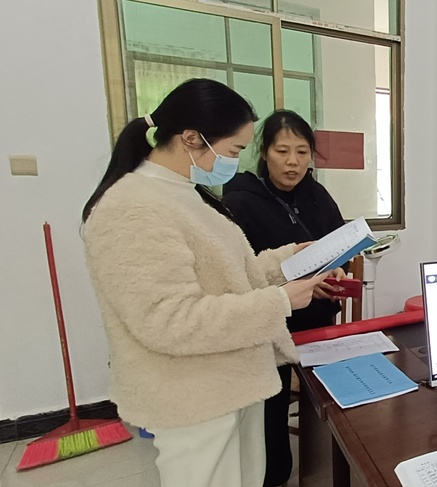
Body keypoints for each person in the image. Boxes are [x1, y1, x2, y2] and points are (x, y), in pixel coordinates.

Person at [81, 79, 329, 487]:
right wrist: (281, 301)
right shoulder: (132, 207)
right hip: (193, 396)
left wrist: (289, 260)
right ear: (192, 138)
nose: (236, 160)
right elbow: (170, 320)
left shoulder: (186, 193)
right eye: (233, 150)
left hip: (234, 380)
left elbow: (227, 274)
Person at [222, 109, 348, 487]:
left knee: (327, 399)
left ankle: (324, 469)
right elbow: (241, 276)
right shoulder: (240, 202)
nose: (293, 162)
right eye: (282, 151)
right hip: (271, 324)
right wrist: (298, 285)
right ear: (264, 152)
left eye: (302, 152)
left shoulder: (317, 194)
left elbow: (336, 246)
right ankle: (273, 475)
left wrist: (336, 272)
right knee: (269, 409)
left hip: (318, 319)